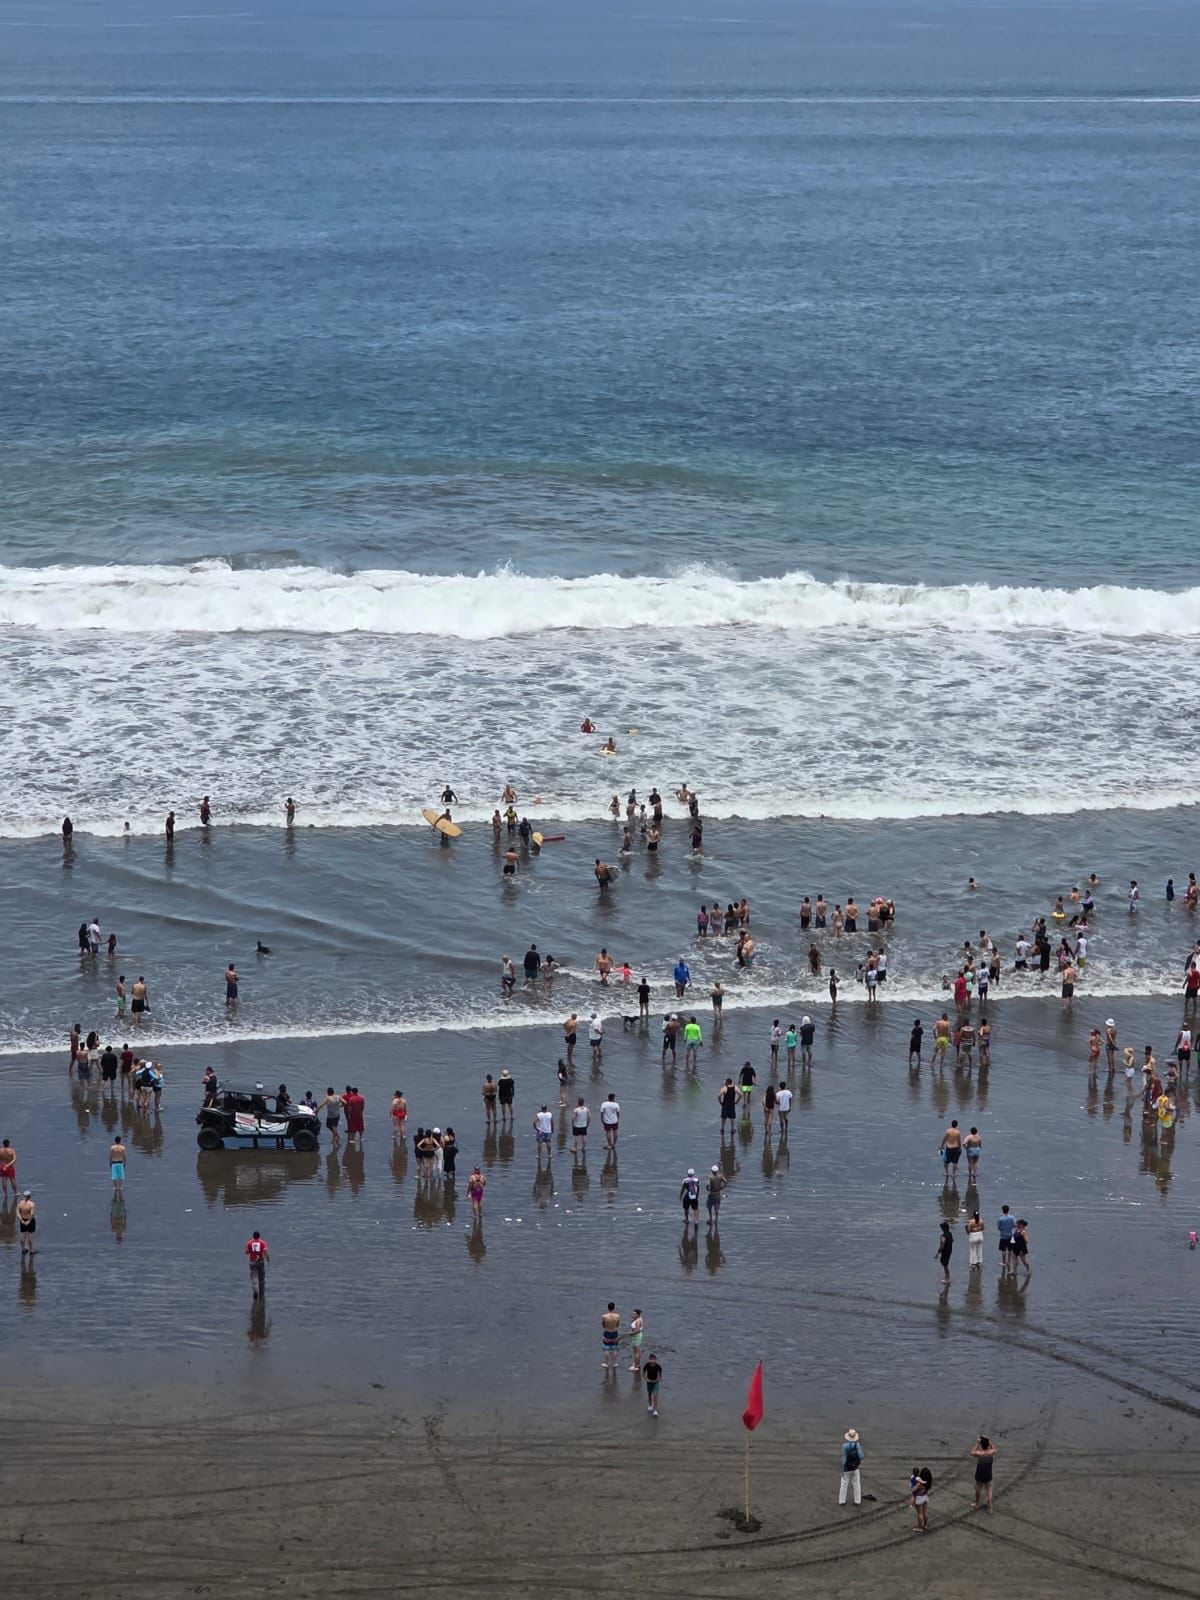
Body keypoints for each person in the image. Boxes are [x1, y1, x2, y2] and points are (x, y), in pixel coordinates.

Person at [971, 1436, 997, 1511]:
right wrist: (989, 1441)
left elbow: (971, 1452)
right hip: (988, 1474)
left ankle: (977, 1504)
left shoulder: (979, 1454)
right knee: (989, 1489)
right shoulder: (991, 1452)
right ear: (988, 1444)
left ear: (981, 1445)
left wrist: (977, 1443)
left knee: (978, 1490)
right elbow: (994, 1448)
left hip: (980, 1475)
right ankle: (990, 1505)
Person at [839, 1429, 863, 1506]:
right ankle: (857, 1501)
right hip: (855, 1468)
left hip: (847, 1468)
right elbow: (861, 1456)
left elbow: (844, 1458)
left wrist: (843, 1468)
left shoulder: (844, 1446)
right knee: (856, 1484)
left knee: (844, 1484)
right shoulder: (857, 1445)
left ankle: (842, 1501)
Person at [245, 1230, 269, 1299]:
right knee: (261, 1279)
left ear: (253, 1236)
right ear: (259, 1236)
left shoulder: (249, 1242)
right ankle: (261, 1295)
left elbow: (246, 1252)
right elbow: (265, 1252)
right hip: (260, 1262)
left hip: (252, 1262)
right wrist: (268, 1260)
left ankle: (255, 1289)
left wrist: (251, 1252)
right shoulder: (262, 1242)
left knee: (254, 1277)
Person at [996, 1204, 1016, 1273]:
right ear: (1008, 1210)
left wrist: (1003, 1229)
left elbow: (999, 1228)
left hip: (1003, 1236)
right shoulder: (1012, 1217)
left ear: (1002, 1210)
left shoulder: (1000, 1219)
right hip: (1010, 1235)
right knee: (1010, 1249)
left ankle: (1004, 1262)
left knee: (1003, 1250)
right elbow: (1014, 1225)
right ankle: (1009, 1262)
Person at [912, 1467, 933, 1533]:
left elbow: (913, 1490)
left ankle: (920, 1528)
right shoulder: (929, 1482)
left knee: (919, 1513)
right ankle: (925, 1525)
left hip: (919, 1498)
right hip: (925, 1497)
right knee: (925, 1512)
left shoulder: (920, 1483)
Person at [602, 1302, 621, 1371]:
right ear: (614, 1308)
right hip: (614, 1332)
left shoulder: (604, 1316)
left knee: (606, 1348)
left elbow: (603, 1325)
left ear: (608, 1307)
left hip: (607, 1332)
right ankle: (614, 1363)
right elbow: (618, 1325)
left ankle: (606, 1363)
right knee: (614, 1348)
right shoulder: (617, 1316)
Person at [17, 1191, 36, 1258]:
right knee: (30, 1235)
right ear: (30, 1196)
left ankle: (23, 1249)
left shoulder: (20, 1203)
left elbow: (17, 1212)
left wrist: (21, 1220)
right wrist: (29, 1221)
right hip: (29, 1221)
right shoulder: (32, 1204)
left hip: (23, 1220)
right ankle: (31, 1250)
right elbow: (32, 1214)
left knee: (22, 1234)